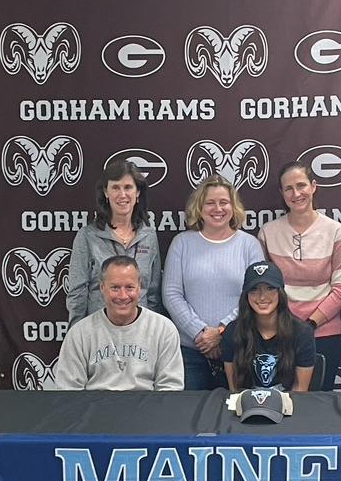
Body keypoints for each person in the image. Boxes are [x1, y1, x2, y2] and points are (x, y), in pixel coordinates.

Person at [162, 175, 264, 389]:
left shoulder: (250, 245)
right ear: (199, 207)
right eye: (210, 202)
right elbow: (171, 294)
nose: (217, 208)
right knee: (189, 418)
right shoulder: (182, 243)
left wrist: (221, 333)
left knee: (237, 416)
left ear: (233, 206)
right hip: (191, 351)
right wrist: (200, 333)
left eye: (224, 202)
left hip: (238, 349)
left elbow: (256, 295)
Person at [258, 161, 341, 390]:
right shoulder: (267, 233)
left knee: (319, 409)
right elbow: (263, 289)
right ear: (282, 193)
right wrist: (285, 326)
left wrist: (309, 325)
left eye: (301, 185)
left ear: (313, 186)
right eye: (288, 188)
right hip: (278, 335)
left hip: (323, 335)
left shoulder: (335, 231)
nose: (296, 193)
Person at [54, 256, 183, 390]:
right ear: (102, 288)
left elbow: (170, 389)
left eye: (129, 287)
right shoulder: (79, 334)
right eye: (115, 287)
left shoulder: (164, 330)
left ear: (139, 288)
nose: (123, 296)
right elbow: (68, 391)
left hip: (146, 408)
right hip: (95, 409)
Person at [66, 159, 161, 328]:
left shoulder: (149, 236)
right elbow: (77, 293)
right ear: (106, 192)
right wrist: (76, 334)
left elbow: (153, 293)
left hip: (141, 332)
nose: (122, 194)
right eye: (115, 187)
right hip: (98, 331)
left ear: (138, 192)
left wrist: (152, 332)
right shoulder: (88, 236)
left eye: (128, 187)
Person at [221, 261, 316, 392]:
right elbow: (234, 390)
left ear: (280, 292)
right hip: (245, 408)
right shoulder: (233, 331)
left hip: (288, 408)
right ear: (246, 295)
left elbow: (300, 390)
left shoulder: (302, 333)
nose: (262, 297)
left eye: (270, 288)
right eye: (254, 289)